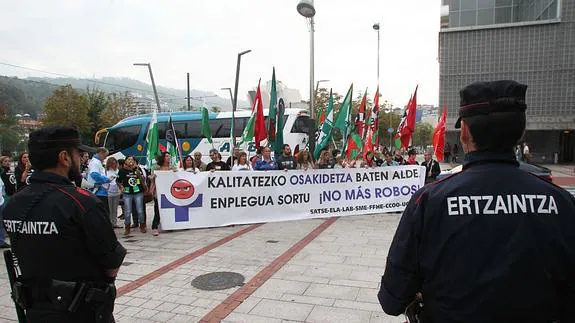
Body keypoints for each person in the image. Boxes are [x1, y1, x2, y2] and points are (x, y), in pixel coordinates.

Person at [378, 80, 575, 322]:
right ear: (520, 133)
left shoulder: (429, 202)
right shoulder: (561, 203)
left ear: (465, 132)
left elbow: (392, 298)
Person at [2, 126, 126, 322]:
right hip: (82, 312)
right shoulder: (82, 202)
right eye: (78, 153)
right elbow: (112, 260)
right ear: (65, 157)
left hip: (36, 312)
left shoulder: (14, 203)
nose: (81, 159)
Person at [117, 156, 147, 235]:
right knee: (127, 211)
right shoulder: (122, 170)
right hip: (127, 193)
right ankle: (127, 227)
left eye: (132, 160)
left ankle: (142, 225)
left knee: (140, 210)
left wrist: (138, 172)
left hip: (138, 192)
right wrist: (121, 187)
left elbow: (143, 180)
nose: (131, 161)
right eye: (129, 159)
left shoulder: (137, 169)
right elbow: (118, 181)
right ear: (125, 161)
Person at [150, 152, 176, 236]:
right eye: (167, 156)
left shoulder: (172, 167)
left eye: (169, 156)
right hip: (159, 191)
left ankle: (168, 225)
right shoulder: (156, 167)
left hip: (169, 192)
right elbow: (152, 179)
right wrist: (152, 177)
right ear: (163, 157)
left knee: (169, 208)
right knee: (157, 210)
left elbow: (178, 176)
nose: (169, 157)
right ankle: (154, 227)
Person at [87, 147, 111, 212]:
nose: (105, 158)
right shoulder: (96, 162)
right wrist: (107, 179)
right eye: (105, 155)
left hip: (99, 190)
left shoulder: (95, 161)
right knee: (104, 212)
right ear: (101, 153)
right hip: (99, 191)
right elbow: (94, 175)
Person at [104, 157, 121, 228]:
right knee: (109, 209)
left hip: (116, 191)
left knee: (115, 209)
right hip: (108, 192)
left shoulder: (117, 171)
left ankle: (114, 223)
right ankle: (110, 223)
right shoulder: (105, 171)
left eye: (115, 163)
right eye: (112, 163)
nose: (114, 165)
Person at [0, 172, 9, 249]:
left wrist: (2, 197)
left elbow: (2, 188)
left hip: (1, 202)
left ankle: (1, 241)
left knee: (1, 223)